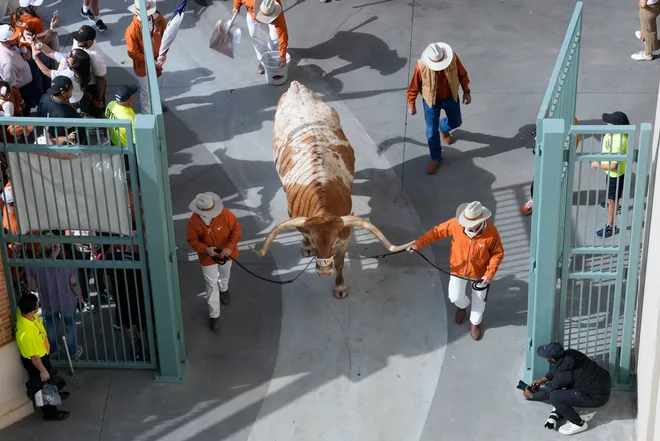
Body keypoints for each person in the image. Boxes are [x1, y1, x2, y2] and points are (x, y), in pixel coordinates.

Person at [407, 201, 504, 340]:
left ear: (479, 222)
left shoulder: (491, 232)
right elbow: (436, 232)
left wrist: (489, 274)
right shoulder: (456, 224)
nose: (465, 225)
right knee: (454, 296)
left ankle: (475, 322)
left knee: (479, 299)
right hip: (457, 269)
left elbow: (497, 253)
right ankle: (462, 305)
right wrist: (418, 244)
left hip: (480, 274)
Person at [407, 42, 471, 174]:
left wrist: (466, 91)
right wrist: (411, 104)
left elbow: (462, 75)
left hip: (450, 97)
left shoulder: (453, 59)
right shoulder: (421, 66)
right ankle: (435, 158)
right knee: (431, 132)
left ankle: (443, 128)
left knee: (456, 121)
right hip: (431, 102)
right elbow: (413, 86)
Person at [524, 342, 611, 436]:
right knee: (568, 382)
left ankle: (579, 424)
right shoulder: (571, 353)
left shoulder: (563, 375)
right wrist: (543, 379)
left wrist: (531, 395)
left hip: (597, 398)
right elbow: (557, 367)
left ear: (551, 359)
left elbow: (548, 394)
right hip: (604, 382)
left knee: (554, 397)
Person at [186, 193, 242, 331]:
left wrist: (230, 246)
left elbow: (237, 230)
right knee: (211, 285)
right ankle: (214, 315)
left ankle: (224, 290)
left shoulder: (226, 214)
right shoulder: (193, 222)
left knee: (225, 274)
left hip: (226, 254)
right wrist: (205, 249)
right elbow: (192, 240)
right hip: (207, 257)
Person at [15, 293, 71, 421]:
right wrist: (42, 370)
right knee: (43, 386)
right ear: (32, 309)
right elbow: (34, 357)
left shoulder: (24, 313)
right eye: (36, 302)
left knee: (48, 381)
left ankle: (54, 392)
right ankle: (50, 413)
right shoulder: (26, 333)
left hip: (41, 356)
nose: (38, 303)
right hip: (36, 362)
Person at [27, 243, 84, 360]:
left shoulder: (33, 265)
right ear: (55, 251)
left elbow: (32, 287)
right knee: (70, 327)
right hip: (67, 302)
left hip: (48, 302)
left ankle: (53, 351)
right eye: (58, 246)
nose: (60, 248)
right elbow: (74, 285)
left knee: (51, 326)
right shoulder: (66, 264)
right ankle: (73, 353)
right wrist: (81, 297)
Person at [520, 117, 580, 216]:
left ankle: (550, 200)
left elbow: (574, 140)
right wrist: (539, 136)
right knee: (538, 178)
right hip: (544, 154)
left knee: (554, 179)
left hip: (558, 154)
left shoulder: (570, 118)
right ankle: (536, 199)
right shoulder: (547, 110)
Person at [591, 111, 629, 238]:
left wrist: (597, 164)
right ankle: (612, 204)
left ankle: (610, 226)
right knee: (612, 195)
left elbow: (614, 165)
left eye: (609, 123)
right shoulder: (612, 134)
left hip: (616, 175)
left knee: (612, 198)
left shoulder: (618, 142)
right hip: (610, 173)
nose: (607, 124)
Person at [125, 0, 167, 114]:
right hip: (142, 66)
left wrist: (163, 54)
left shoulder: (158, 19)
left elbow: (166, 36)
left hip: (157, 62)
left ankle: (156, 105)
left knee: (155, 86)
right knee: (146, 93)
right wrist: (150, 61)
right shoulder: (132, 30)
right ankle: (147, 114)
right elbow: (132, 52)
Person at [32, 42, 91, 113]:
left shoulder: (70, 75)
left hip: (73, 103)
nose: (68, 54)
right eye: (71, 52)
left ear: (76, 62)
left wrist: (35, 58)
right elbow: (51, 52)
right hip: (74, 98)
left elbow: (47, 72)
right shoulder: (70, 61)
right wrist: (38, 42)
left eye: (71, 55)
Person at [233, 0, 288, 74]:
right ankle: (263, 60)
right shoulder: (250, 2)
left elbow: (282, 33)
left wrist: (282, 55)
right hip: (252, 13)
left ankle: (274, 54)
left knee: (276, 37)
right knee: (254, 34)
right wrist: (236, 6)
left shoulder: (276, 8)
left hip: (272, 15)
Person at [37, 76, 88, 145]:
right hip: (64, 147)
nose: (72, 90)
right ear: (64, 93)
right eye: (71, 88)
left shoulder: (44, 98)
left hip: (48, 135)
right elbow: (63, 137)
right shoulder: (64, 114)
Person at [72, 25, 107, 117]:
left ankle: (103, 128)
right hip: (80, 83)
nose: (77, 41)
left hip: (91, 86)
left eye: (80, 40)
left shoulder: (97, 58)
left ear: (89, 42)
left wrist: (99, 99)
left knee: (97, 111)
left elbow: (101, 79)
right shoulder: (77, 41)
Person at [0, 24, 35, 111]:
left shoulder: (10, 45)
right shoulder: (8, 63)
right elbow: (11, 85)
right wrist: (21, 100)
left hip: (27, 80)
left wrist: (26, 55)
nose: (17, 38)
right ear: (6, 42)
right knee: (28, 108)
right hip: (24, 90)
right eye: (14, 38)